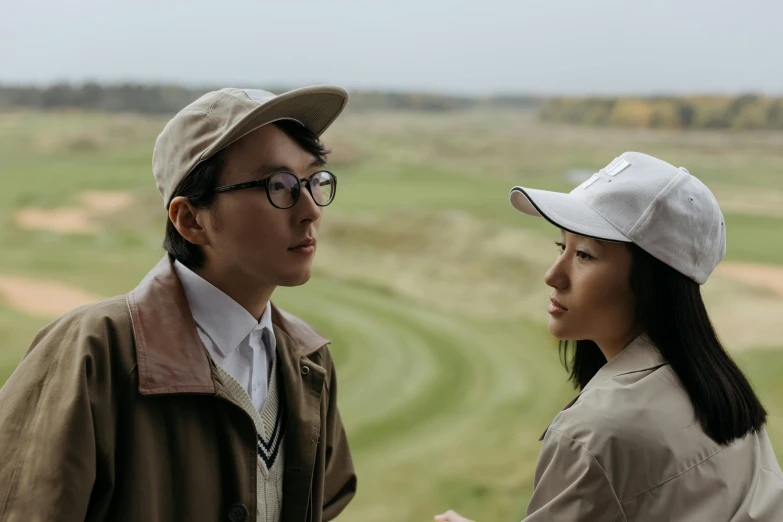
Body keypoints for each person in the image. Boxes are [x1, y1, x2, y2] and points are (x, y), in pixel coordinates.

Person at [0, 87, 357, 522]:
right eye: (277, 186)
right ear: (190, 219)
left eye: (313, 180)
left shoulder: (308, 359)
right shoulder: (93, 353)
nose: (310, 211)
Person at [436, 152, 783, 521]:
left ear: (651, 282)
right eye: (562, 247)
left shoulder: (595, 432)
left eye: (585, 255)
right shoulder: (721, 390)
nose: (553, 275)